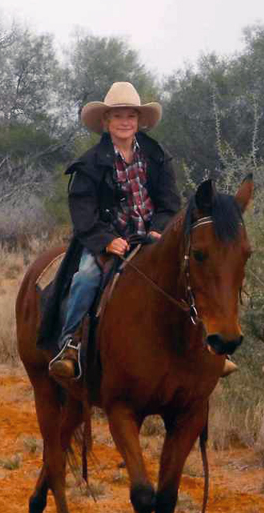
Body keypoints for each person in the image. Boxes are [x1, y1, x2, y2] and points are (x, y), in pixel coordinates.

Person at [44, 81, 187, 380]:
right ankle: (70, 344)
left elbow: (170, 202)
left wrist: (160, 230)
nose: (125, 122)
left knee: (194, 272)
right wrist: (107, 241)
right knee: (86, 278)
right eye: (118, 116)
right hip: (108, 240)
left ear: (139, 121)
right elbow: (83, 214)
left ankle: (206, 349)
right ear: (106, 121)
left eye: (131, 116)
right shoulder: (89, 164)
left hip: (151, 239)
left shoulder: (157, 155)